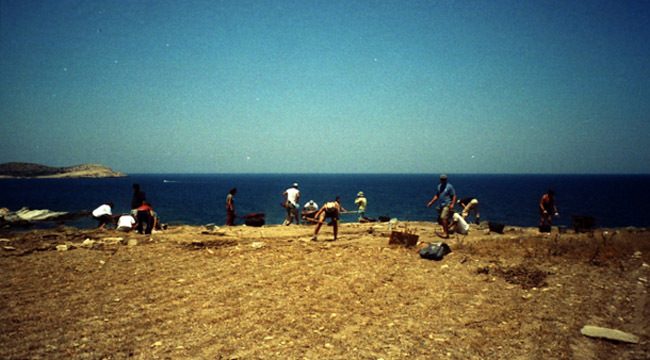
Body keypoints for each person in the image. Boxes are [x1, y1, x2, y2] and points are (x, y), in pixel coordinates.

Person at [427, 174, 456, 238]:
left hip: (447, 204)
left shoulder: (449, 186)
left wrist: (452, 204)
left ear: (446, 179)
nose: (443, 180)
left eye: (444, 179)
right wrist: (431, 202)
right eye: (442, 179)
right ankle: (447, 229)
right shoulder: (439, 186)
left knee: (443, 217)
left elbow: (453, 196)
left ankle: (446, 234)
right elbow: (437, 195)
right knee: (441, 219)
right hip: (441, 205)